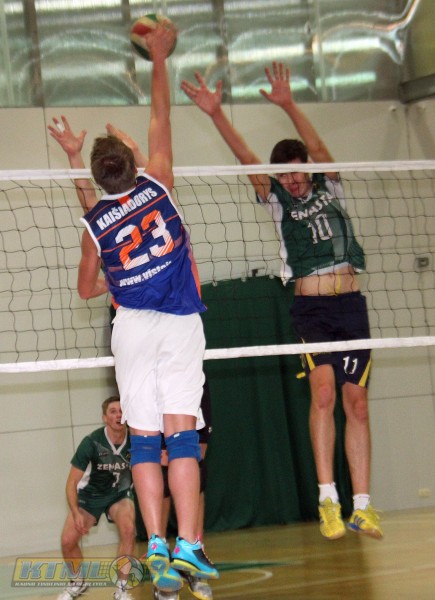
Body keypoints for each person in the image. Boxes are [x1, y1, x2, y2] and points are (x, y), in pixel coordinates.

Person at [181, 61, 382, 541]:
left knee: (357, 404)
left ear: (307, 169)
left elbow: (318, 148)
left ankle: (363, 505)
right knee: (323, 393)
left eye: (296, 172)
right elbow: (246, 156)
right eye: (284, 175)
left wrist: (289, 104)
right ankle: (328, 498)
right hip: (312, 310)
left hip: (351, 308)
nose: (291, 181)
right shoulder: (278, 202)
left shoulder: (331, 185)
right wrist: (216, 113)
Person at [76, 23, 219, 597]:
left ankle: (155, 546)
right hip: (180, 322)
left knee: (143, 440)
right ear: (133, 164)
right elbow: (161, 117)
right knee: (181, 435)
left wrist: (119, 274)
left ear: (97, 178)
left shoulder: (93, 224)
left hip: (131, 327)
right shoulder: (158, 184)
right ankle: (188, 545)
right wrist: (158, 58)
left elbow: (86, 290)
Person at [58, 396, 135, 600]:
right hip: (90, 496)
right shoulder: (91, 442)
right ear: (104, 418)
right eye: (113, 411)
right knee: (67, 541)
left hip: (119, 494)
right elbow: (71, 483)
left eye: (121, 411)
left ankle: (122, 588)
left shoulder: (136, 440)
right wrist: (75, 512)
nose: (118, 415)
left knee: (128, 530)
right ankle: (78, 583)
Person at [151, 379, 214, 600]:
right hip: (152, 387)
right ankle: (162, 569)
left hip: (188, 384)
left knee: (195, 476)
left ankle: (193, 562)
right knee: (160, 476)